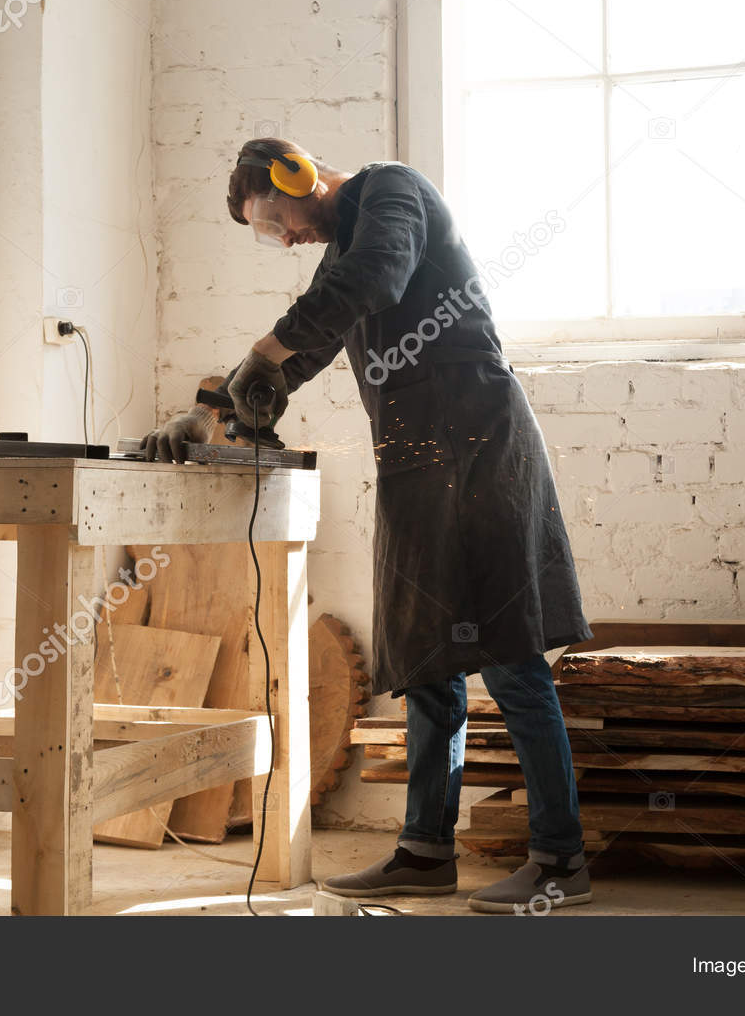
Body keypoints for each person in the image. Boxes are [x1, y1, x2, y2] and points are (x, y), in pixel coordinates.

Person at [142, 138, 593, 913]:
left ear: (298, 175)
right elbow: (306, 340)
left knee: (511, 657)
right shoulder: (340, 252)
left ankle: (560, 860)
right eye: (266, 231)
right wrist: (210, 410)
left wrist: (262, 350)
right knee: (426, 661)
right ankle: (424, 852)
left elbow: (373, 280)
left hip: (481, 448)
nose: (281, 238)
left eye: (276, 218)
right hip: (419, 463)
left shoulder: (392, 195)